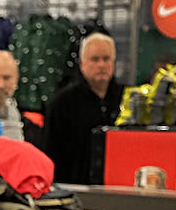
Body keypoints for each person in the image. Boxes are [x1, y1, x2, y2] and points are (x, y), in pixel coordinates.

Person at [42, 33, 122, 184]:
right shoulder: (62, 103)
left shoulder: (125, 99)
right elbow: (51, 153)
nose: (101, 65)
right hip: (74, 186)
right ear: (82, 64)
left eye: (106, 59)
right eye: (95, 59)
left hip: (116, 185)